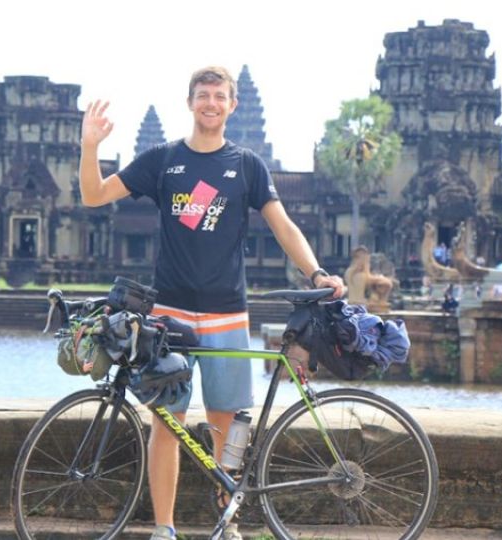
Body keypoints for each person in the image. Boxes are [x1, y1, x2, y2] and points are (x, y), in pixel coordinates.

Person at [78, 66, 345, 540]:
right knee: (168, 423)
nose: (211, 104)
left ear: (232, 105)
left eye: (219, 96)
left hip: (227, 312)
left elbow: (283, 226)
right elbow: (94, 194)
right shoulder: (162, 160)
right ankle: (164, 528)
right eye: (203, 96)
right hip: (170, 318)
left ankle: (228, 525)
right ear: (190, 102)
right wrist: (90, 146)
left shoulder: (246, 165)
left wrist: (317, 272)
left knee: (228, 423)